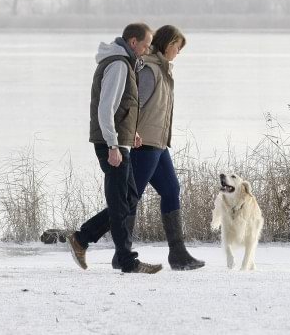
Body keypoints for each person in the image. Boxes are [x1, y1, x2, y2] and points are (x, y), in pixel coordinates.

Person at [67, 23, 163, 274]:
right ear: (133, 42)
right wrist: (112, 144)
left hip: (120, 141)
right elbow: (105, 108)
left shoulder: (124, 63)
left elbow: (123, 107)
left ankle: (82, 238)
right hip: (111, 145)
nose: (147, 49)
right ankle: (126, 261)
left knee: (128, 199)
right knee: (122, 203)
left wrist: (131, 134)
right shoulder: (119, 65)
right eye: (145, 44)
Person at [113, 25, 205, 271]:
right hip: (145, 142)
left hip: (159, 143)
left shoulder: (163, 70)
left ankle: (178, 254)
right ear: (166, 44)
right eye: (177, 46)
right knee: (132, 196)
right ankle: (116, 251)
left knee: (171, 189)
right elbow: (134, 103)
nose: (179, 52)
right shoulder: (149, 70)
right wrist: (132, 133)